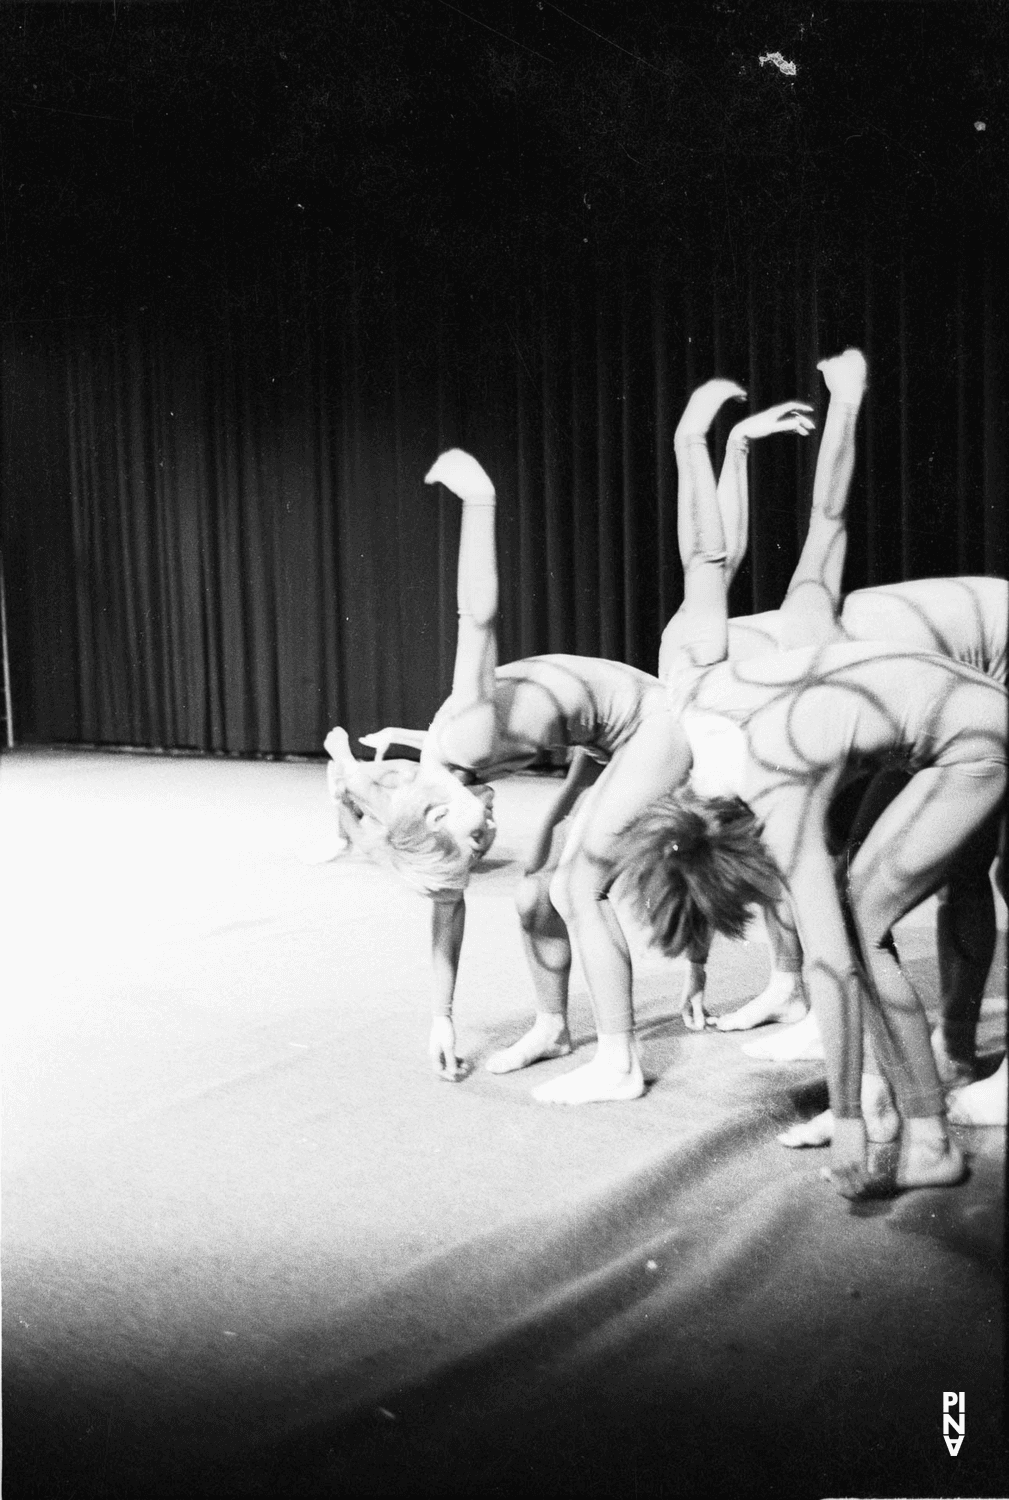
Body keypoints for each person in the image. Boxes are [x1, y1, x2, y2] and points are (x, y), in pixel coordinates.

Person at [325, 392, 815, 1098]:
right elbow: (448, 912)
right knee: (532, 897)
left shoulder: (465, 731)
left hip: (663, 723)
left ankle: (619, 1063)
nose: (489, 829)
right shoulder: (440, 788)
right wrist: (441, 1017)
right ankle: (553, 1025)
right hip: (623, 737)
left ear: (438, 811)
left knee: (574, 884)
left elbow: (478, 616)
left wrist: (479, 501)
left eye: (476, 834)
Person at [614, 393, 1007, 1197]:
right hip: (958, 711)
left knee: (859, 922)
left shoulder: (774, 780)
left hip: (978, 735)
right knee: (867, 914)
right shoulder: (697, 678)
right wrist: (709, 436)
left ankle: (919, 1128)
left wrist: (848, 1126)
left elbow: (827, 963)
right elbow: (760, 541)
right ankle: (920, 1124)